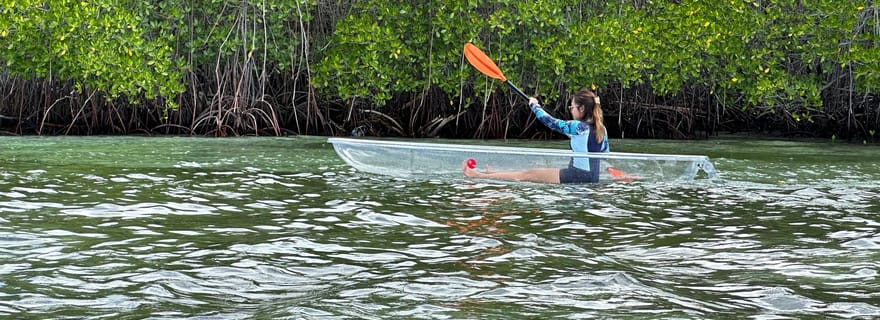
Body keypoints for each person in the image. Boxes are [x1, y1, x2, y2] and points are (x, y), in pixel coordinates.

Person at [463, 88, 610, 183]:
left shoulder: (577, 127)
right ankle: (496, 174)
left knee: (528, 174)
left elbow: (550, 122)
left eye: (572, 107)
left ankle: (480, 176)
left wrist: (534, 106)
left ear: (582, 108)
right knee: (530, 173)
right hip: (593, 179)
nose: (571, 110)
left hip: (577, 176)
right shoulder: (601, 129)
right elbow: (604, 155)